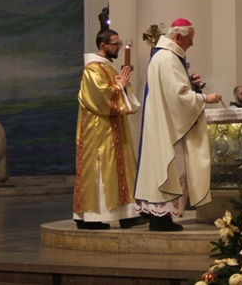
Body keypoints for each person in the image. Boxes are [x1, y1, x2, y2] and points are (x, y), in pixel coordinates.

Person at [134, 18, 223, 231]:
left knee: (162, 168)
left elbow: (171, 90)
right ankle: (161, 218)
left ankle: (161, 217)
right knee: (171, 167)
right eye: (189, 40)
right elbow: (178, 97)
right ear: (178, 37)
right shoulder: (168, 58)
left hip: (162, 122)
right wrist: (204, 98)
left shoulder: (162, 56)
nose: (191, 44)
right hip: (168, 127)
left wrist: (190, 84)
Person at [73, 29, 145, 230]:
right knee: (100, 171)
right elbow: (99, 98)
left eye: (120, 43)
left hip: (113, 129)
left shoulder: (108, 68)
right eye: (115, 44)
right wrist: (119, 87)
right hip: (98, 132)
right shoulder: (92, 69)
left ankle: (127, 214)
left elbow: (121, 90)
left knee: (120, 170)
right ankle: (92, 217)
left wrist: (122, 86)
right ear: (103, 45)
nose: (119, 47)